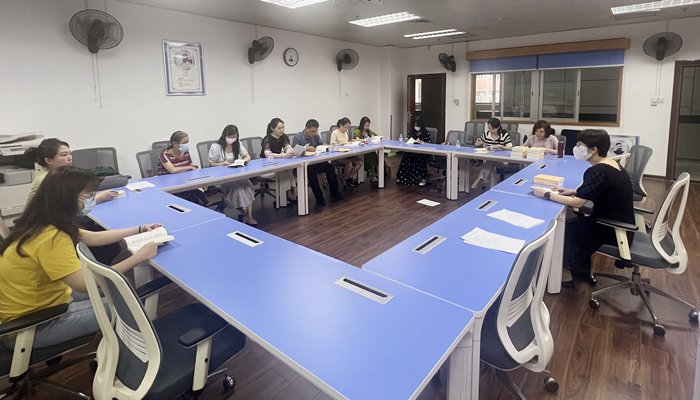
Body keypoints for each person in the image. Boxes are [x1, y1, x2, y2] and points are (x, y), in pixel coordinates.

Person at [0, 166, 162, 349]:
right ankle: (129, 357)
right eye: (89, 195)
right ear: (68, 198)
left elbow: (94, 238)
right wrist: (139, 256)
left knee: (120, 285)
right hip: (32, 325)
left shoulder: (40, 222)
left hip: (43, 301)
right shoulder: (51, 237)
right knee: (128, 304)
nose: (93, 199)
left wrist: (139, 229)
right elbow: (84, 284)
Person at [532, 129, 634, 288]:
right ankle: (581, 271)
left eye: (580, 145)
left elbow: (578, 203)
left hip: (611, 229)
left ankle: (565, 275)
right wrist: (573, 191)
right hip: (622, 224)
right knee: (575, 223)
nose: (576, 148)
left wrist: (546, 194)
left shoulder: (597, 171)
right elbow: (600, 189)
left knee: (564, 229)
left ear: (594, 149)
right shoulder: (611, 164)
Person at [25, 138, 120, 203]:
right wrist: (99, 197)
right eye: (64, 155)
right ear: (49, 160)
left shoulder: (56, 173)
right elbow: (71, 209)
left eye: (69, 153)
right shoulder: (48, 179)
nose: (70, 158)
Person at [208, 125, 257, 225]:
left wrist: (245, 159)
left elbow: (247, 155)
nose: (232, 139)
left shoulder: (237, 144)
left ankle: (249, 216)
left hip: (235, 174)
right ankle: (244, 213)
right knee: (237, 190)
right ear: (224, 135)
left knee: (247, 186)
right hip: (221, 177)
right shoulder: (216, 147)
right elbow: (211, 164)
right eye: (230, 137)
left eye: (234, 137)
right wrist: (221, 163)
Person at [292, 119, 345, 205]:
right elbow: (294, 150)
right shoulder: (298, 137)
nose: (313, 134)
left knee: (330, 168)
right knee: (312, 172)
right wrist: (306, 148)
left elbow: (321, 144)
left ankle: (334, 192)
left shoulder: (316, 136)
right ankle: (319, 197)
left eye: (315, 132)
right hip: (304, 164)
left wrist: (325, 146)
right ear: (306, 128)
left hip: (315, 161)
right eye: (312, 131)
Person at [157, 131, 208, 206]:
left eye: (187, 142)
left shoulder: (185, 152)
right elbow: (173, 170)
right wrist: (190, 167)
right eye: (184, 143)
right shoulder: (164, 155)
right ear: (175, 144)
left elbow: (191, 165)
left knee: (198, 197)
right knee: (184, 199)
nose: (186, 145)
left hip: (185, 181)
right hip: (170, 184)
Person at [260, 118, 297, 204]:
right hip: (267, 166)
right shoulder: (267, 139)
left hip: (278, 163)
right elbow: (267, 154)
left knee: (288, 170)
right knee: (283, 172)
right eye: (279, 128)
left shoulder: (283, 137)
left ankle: (287, 195)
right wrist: (284, 155)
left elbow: (287, 146)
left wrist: (291, 150)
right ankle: (284, 197)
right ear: (272, 129)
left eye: (283, 128)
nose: (282, 130)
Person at [472, 118, 513, 189]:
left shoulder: (504, 135)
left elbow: (511, 148)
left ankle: (480, 179)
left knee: (490, 162)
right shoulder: (486, 134)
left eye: (493, 129)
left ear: (498, 127)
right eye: (489, 128)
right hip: (491, 159)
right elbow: (479, 142)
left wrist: (501, 147)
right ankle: (493, 188)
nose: (490, 130)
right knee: (492, 167)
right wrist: (477, 143)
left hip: (502, 161)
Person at [396, 116, 432, 186]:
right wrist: (406, 139)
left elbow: (430, 143)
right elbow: (408, 140)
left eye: (418, 125)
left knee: (420, 159)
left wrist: (422, 142)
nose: (416, 127)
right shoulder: (411, 132)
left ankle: (423, 178)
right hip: (412, 151)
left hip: (422, 152)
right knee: (406, 157)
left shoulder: (426, 133)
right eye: (415, 125)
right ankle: (403, 177)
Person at [330, 118, 363, 187]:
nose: (347, 129)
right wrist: (342, 143)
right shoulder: (335, 133)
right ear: (341, 125)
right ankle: (346, 179)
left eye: (348, 127)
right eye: (346, 127)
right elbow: (332, 145)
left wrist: (351, 141)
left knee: (360, 162)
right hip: (338, 156)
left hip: (347, 154)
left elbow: (346, 142)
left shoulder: (346, 132)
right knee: (349, 163)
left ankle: (350, 177)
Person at [353, 116, 379, 182]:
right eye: (366, 125)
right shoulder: (357, 131)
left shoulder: (368, 131)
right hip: (359, 150)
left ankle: (372, 170)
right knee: (369, 155)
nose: (367, 127)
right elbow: (357, 139)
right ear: (362, 124)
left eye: (368, 125)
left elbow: (375, 135)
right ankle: (371, 171)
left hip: (367, 149)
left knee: (373, 154)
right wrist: (365, 139)